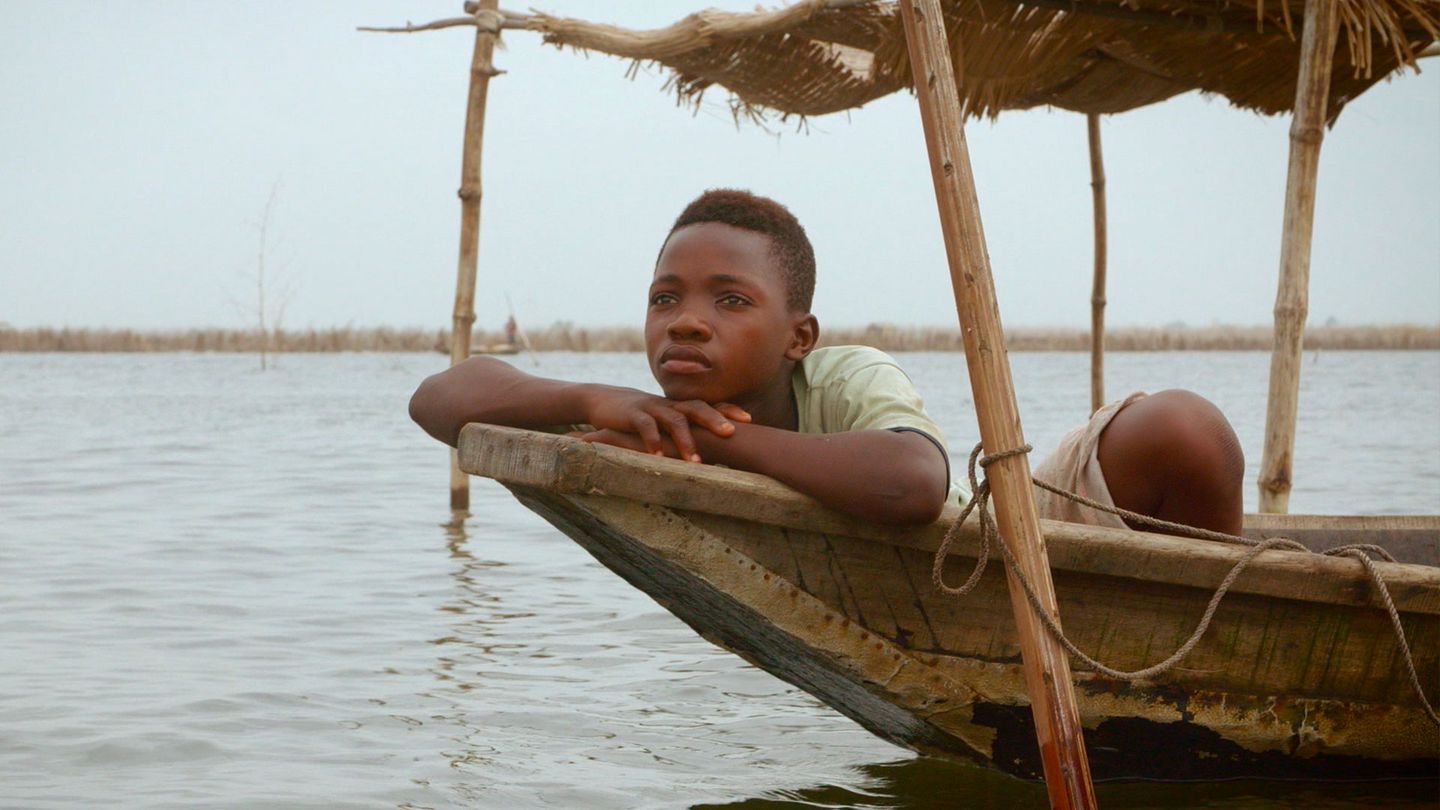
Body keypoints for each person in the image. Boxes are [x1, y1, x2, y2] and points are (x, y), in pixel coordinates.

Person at [410, 189, 1243, 532]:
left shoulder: (844, 374)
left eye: (729, 301)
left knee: (1184, 429)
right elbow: (440, 399)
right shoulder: (642, 413)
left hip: (1006, 541)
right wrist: (594, 399)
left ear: (798, 337)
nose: (689, 324)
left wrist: (711, 439)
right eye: (667, 298)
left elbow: (915, 485)